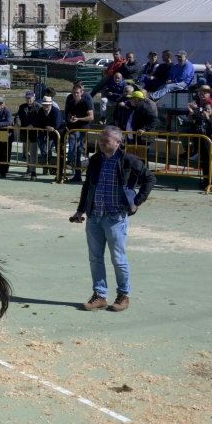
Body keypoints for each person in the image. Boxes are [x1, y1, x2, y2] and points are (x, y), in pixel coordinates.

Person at [70, 125, 154, 312]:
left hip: (116, 218)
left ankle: (123, 295)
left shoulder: (128, 160)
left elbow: (150, 178)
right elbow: (88, 186)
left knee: (118, 258)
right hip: (95, 217)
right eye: (100, 140)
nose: (101, 143)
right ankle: (99, 296)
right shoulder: (95, 160)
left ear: (118, 142)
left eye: (105, 140)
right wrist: (80, 211)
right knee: (95, 258)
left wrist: (137, 201)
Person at [64, 82, 95, 183]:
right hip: (73, 128)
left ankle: (69, 160)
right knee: (77, 152)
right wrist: (71, 119)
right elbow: (68, 115)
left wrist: (78, 119)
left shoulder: (86, 102)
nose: (75, 94)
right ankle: (77, 175)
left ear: (81, 92)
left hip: (82, 128)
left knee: (76, 144)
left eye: (77, 93)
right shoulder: (71, 102)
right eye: (74, 93)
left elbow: (91, 117)